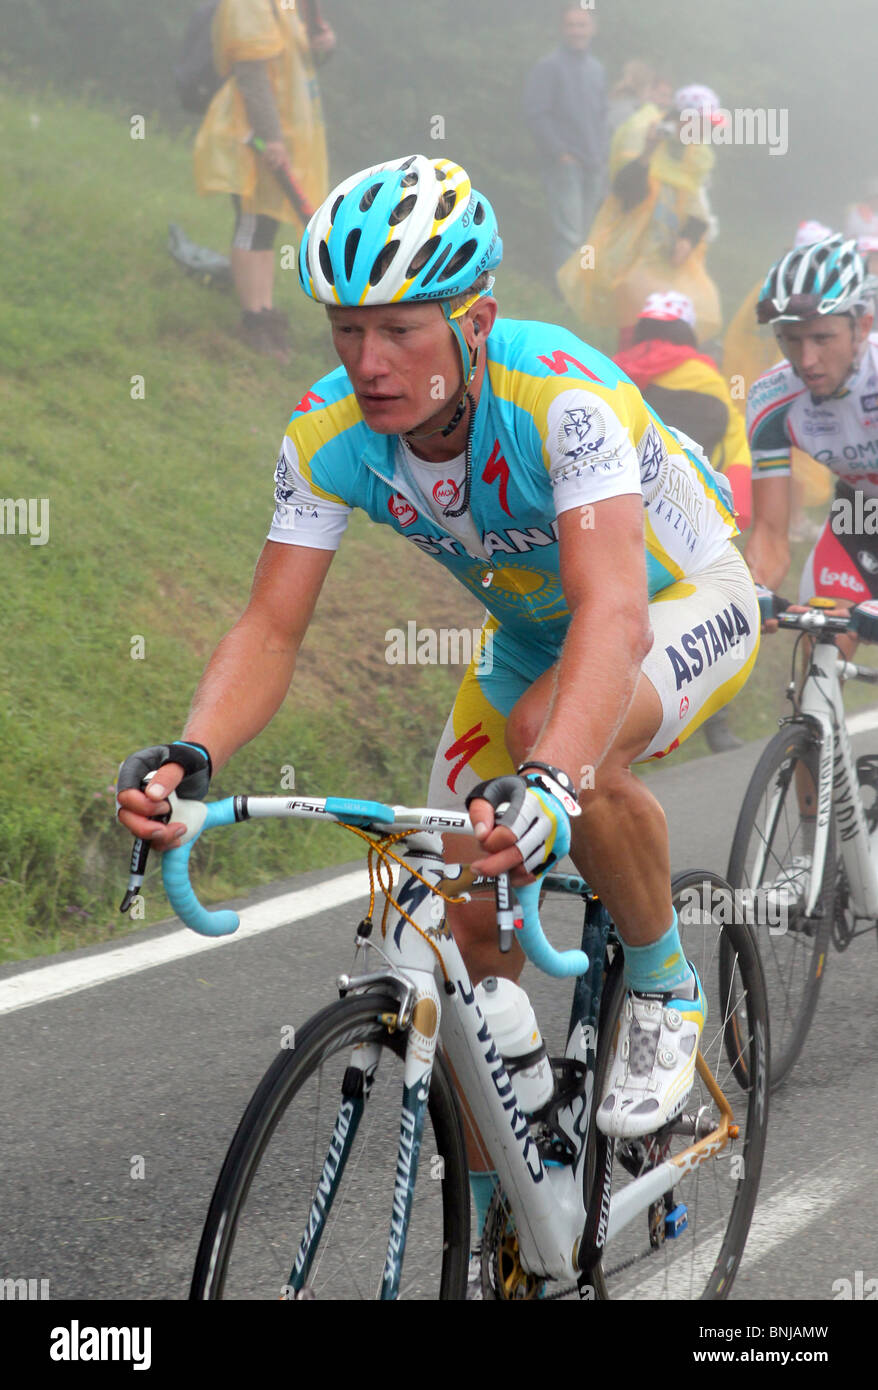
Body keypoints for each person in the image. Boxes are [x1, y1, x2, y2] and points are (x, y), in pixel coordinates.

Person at [116, 155, 759, 1283]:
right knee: (454, 928)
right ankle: (510, 1194)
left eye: (399, 330)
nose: (368, 362)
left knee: (562, 751)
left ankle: (663, 987)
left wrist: (553, 775)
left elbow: (610, 611)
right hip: (524, 641)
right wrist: (194, 749)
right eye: (346, 328)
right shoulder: (324, 436)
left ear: (477, 320)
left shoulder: (561, 396)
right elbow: (270, 628)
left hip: (673, 596)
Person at [615, 291, 753, 751]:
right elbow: (735, 451)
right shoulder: (707, 381)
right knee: (703, 611)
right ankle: (715, 726)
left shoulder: (608, 371)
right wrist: (734, 514)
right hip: (684, 525)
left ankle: (613, 733)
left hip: (610, 518)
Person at [745, 234, 878, 622]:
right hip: (859, 512)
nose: (807, 360)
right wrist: (756, 591)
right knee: (822, 630)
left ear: (863, 326)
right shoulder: (772, 399)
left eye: (822, 338)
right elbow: (770, 534)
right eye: (792, 340)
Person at [193, 0, 334, 360]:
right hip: (254, 134)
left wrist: (324, 47)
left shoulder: (285, 5)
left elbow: (296, 67)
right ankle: (253, 320)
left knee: (266, 225)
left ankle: (265, 312)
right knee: (253, 221)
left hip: (285, 136)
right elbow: (252, 74)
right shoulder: (246, 4)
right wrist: (270, 137)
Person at [558, 83, 725, 349]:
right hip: (632, 256)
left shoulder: (696, 155)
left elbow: (698, 210)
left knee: (677, 328)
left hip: (669, 258)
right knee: (638, 329)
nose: (705, 133)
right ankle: (629, 379)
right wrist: (648, 151)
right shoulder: (642, 133)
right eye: (701, 125)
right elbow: (624, 194)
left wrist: (688, 239)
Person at [723, 221, 836, 541]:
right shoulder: (808, 296)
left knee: (771, 448)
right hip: (785, 381)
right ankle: (793, 521)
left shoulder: (770, 284)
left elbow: (741, 335)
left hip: (758, 379)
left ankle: (770, 513)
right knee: (795, 449)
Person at [523, 3, 608, 276]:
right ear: (563, 29)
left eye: (581, 25)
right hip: (565, 163)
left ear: (593, 29)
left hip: (595, 163)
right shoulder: (549, 66)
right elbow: (536, 114)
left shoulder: (596, 69)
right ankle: (565, 296)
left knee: (587, 234)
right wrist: (561, 153)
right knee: (570, 233)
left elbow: (602, 116)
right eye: (571, 25)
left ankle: (581, 296)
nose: (576, 31)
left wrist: (603, 154)